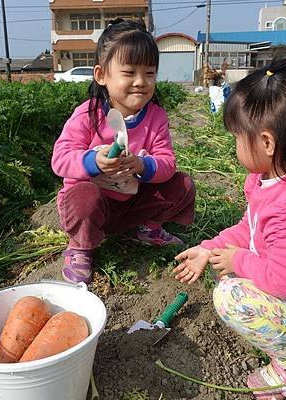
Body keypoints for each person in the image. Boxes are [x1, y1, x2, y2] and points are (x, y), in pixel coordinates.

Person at [173, 58, 286, 399]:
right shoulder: (264, 179)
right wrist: (209, 248)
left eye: (238, 139)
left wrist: (238, 261)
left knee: (230, 295)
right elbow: (249, 228)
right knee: (226, 276)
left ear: (268, 142)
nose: (235, 147)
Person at [51, 19, 195, 284]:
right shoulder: (88, 114)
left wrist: (142, 166)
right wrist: (94, 161)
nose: (141, 82)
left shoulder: (155, 116)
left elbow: (167, 162)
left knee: (182, 185)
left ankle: (146, 228)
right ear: (101, 75)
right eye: (129, 73)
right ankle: (81, 247)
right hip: (95, 206)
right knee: (83, 195)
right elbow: (60, 159)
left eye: (149, 73)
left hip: (132, 202)